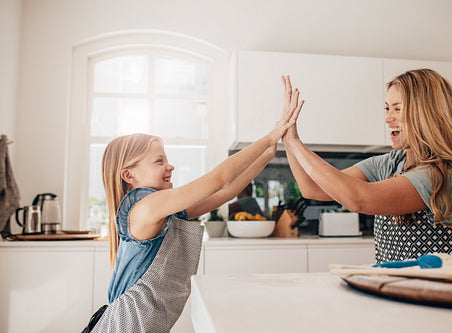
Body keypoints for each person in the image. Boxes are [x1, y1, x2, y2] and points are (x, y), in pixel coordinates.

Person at [82, 99, 301, 332]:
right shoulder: (144, 209)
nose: (170, 166)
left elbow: (227, 192)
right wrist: (270, 135)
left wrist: (267, 155)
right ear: (129, 175)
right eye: (159, 161)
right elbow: (219, 178)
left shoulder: (161, 212)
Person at [279, 69, 452, 262]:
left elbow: (358, 199)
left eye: (397, 109)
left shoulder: (445, 173)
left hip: (445, 294)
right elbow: (312, 189)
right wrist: (289, 139)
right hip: (397, 290)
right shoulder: (389, 163)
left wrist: (296, 145)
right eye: (387, 108)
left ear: (426, 113)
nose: (387, 118)